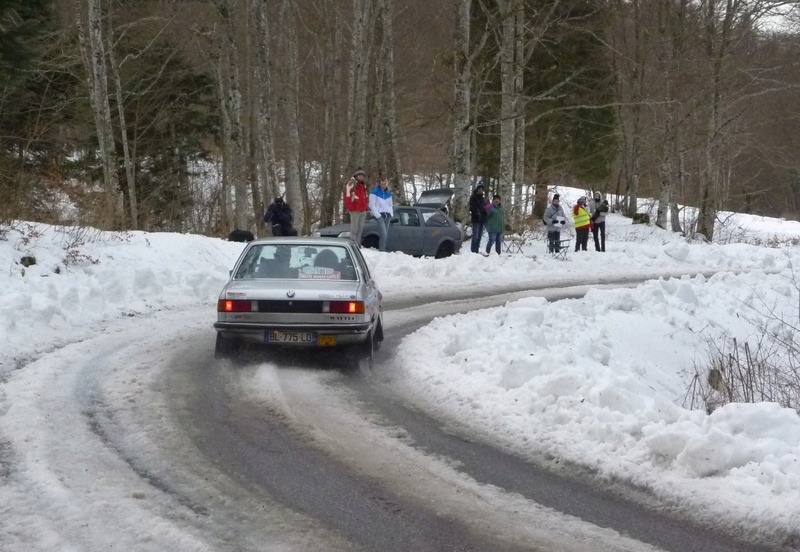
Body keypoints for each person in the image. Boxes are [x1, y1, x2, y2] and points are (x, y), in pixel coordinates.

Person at [343, 167, 369, 247]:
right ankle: (353, 244)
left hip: (362, 209)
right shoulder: (351, 184)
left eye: (362, 175)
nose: (361, 177)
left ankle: (358, 243)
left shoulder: (363, 185)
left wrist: (366, 207)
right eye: (359, 175)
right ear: (356, 176)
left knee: (360, 228)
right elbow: (347, 196)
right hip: (355, 209)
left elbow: (366, 196)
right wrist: (351, 207)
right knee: (354, 228)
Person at [369, 177, 394, 251]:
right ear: (379, 184)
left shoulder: (388, 193)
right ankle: (382, 249)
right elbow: (372, 205)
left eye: (385, 184)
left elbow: (391, 204)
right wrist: (377, 215)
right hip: (380, 215)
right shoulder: (374, 192)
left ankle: (383, 248)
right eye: (382, 184)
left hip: (388, 215)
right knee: (383, 233)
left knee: (385, 234)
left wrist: (391, 213)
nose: (383, 185)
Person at [468, 182, 488, 253]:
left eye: (482, 189)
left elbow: (484, 207)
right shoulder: (473, 197)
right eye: (480, 189)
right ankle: (473, 251)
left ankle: (476, 250)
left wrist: (486, 212)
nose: (481, 190)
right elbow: (471, 207)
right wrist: (476, 213)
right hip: (476, 219)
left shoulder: (482, 198)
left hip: (482, 219)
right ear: (477, 189)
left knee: (479, 236)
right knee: (475, 236)